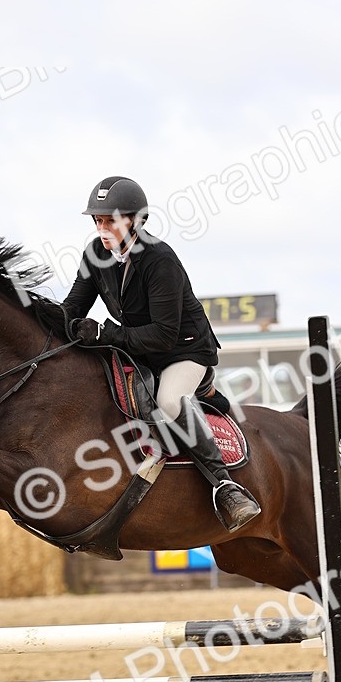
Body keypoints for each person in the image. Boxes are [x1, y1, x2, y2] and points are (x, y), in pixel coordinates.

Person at [63, 175, 261, 533]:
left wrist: (106, 333)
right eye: (98, 220)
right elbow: (72, 307)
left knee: (168, 400)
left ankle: (226, 487)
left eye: (110, 221)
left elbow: (163, 335)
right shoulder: (96, 254)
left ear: (135, 220)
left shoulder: (159, 259)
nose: (102, 228)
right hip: (141, 350)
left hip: (183, 349)